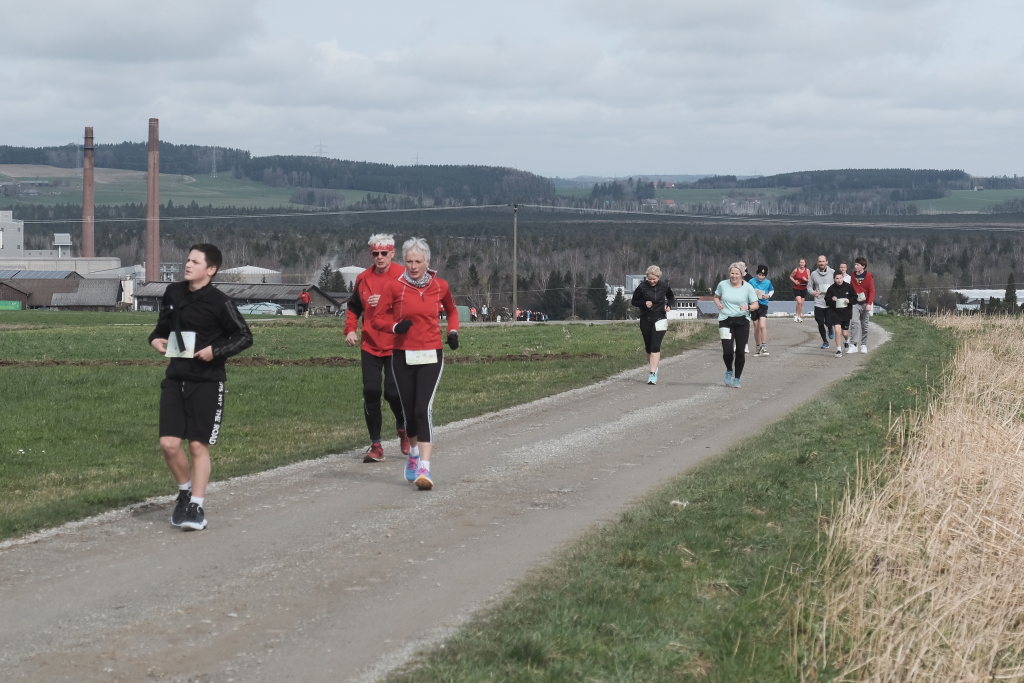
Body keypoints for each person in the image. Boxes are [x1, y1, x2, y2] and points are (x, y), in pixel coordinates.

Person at [148, 243, 253, 531]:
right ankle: (184, 491)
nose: (188, 264)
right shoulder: (173, 293)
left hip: (207, 381)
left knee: (197, 445)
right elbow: (161, 329)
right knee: (169, 444)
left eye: (195, 261)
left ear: (211, 269)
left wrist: (215, 351)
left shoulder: (220, 302)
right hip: (175, 378)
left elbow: (244, 336)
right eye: (188, 260)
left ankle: (196, 506)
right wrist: (155, 340)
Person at [374, 237, 460, 491]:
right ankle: (413, 453)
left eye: (418, 262)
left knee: (423, 409)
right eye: (409, 261)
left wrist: (453, 331)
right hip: (403, 355)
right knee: (410, 412)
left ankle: (425, 467)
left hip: (431, 354)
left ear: (427, 262)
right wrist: (395, 327)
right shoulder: (394, 287)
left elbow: (452, 310)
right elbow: (377, 318)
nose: (413, 266)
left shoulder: (440, 286)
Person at [344, 233, 411, 463]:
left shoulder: (404, 276)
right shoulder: (364, 278)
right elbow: (353, 306)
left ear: (393, 253)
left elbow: (414, 306)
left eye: (384, 253)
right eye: (375, 254)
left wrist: (386, 301)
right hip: (370, 344)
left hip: (396, 344)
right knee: (371, 391)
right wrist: (350, 329)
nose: (380, 257)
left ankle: (403, 428)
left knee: (393, 393)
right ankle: (376, 445)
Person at [714, 262, 759, 389]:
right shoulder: (723, 284)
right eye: (732, 273)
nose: (734, 276)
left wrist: (748, 307)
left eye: (736, 273)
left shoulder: (748, 287)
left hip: (742, 321)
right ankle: (729, 370)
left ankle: (737, 378)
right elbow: (716, 297)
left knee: (740, 351)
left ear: (742, 274)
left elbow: (756, 305)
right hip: (725, 320)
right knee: (728, 351)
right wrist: (718, 304)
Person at [630, 265, 675, 385]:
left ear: (658, 277)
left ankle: (652, 374)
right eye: (649, 279)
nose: (652, 281)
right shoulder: (642, 286)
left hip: (660, 318)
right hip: (645, 319)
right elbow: (634, 301)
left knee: (655, 346)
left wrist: (669, 305)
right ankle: (654, 367)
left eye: (654, 279)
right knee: (648, 348)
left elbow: (671, 297)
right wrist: (644, 303)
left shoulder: (664, 286)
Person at [825, 271, 858, 358]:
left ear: (843, 278)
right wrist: (832, 299)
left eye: (840, 278)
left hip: (846, 313)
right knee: (837, 331)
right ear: (834, 279)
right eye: (837, 278)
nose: (839, 280)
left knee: (845, 333)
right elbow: (827, 300)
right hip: (835, 313)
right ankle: (838, 350)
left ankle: (847, 340)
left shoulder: (849, 286)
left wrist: (849, 300)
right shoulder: (831, 288)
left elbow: (855, 298)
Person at [848, 256, 876, 354]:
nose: (855, 266)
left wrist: (869, 303)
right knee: (854, 323)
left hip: (865, 303)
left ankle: (863, 345)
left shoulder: (868, 276)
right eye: (855, 264)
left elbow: (872, 290)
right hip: (855, 303)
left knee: (864, 325)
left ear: (863, 266)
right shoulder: (853, 275)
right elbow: (851, 288)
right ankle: (853, 345)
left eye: (857, 265)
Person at [809, 255, 836, 349]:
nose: (821, 263)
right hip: (818, 301)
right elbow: (809, 287)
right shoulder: (813, 274)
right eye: (820, 261)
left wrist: (835, 294)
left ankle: (830, 328)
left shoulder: (832, 272)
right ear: (817, 263)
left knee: (828, 321)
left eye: (823, 261)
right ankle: (825, 341)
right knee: (820, 322)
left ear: (827, 262)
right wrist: (813, 292)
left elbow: (838, 284)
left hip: (829, 302)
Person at [749, 265, 774, 356]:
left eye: (763, 275)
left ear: (765, 276)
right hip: (754, 305)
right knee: (756, 327)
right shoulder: (751, 281)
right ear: (757, 274)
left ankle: (764, 346)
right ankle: (758, 347)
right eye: (759, 274)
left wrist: (768, 296)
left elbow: (772, 290)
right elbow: (747, 290)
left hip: (763, 305)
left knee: (762, 326)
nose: (761, 277)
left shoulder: (768, 282)